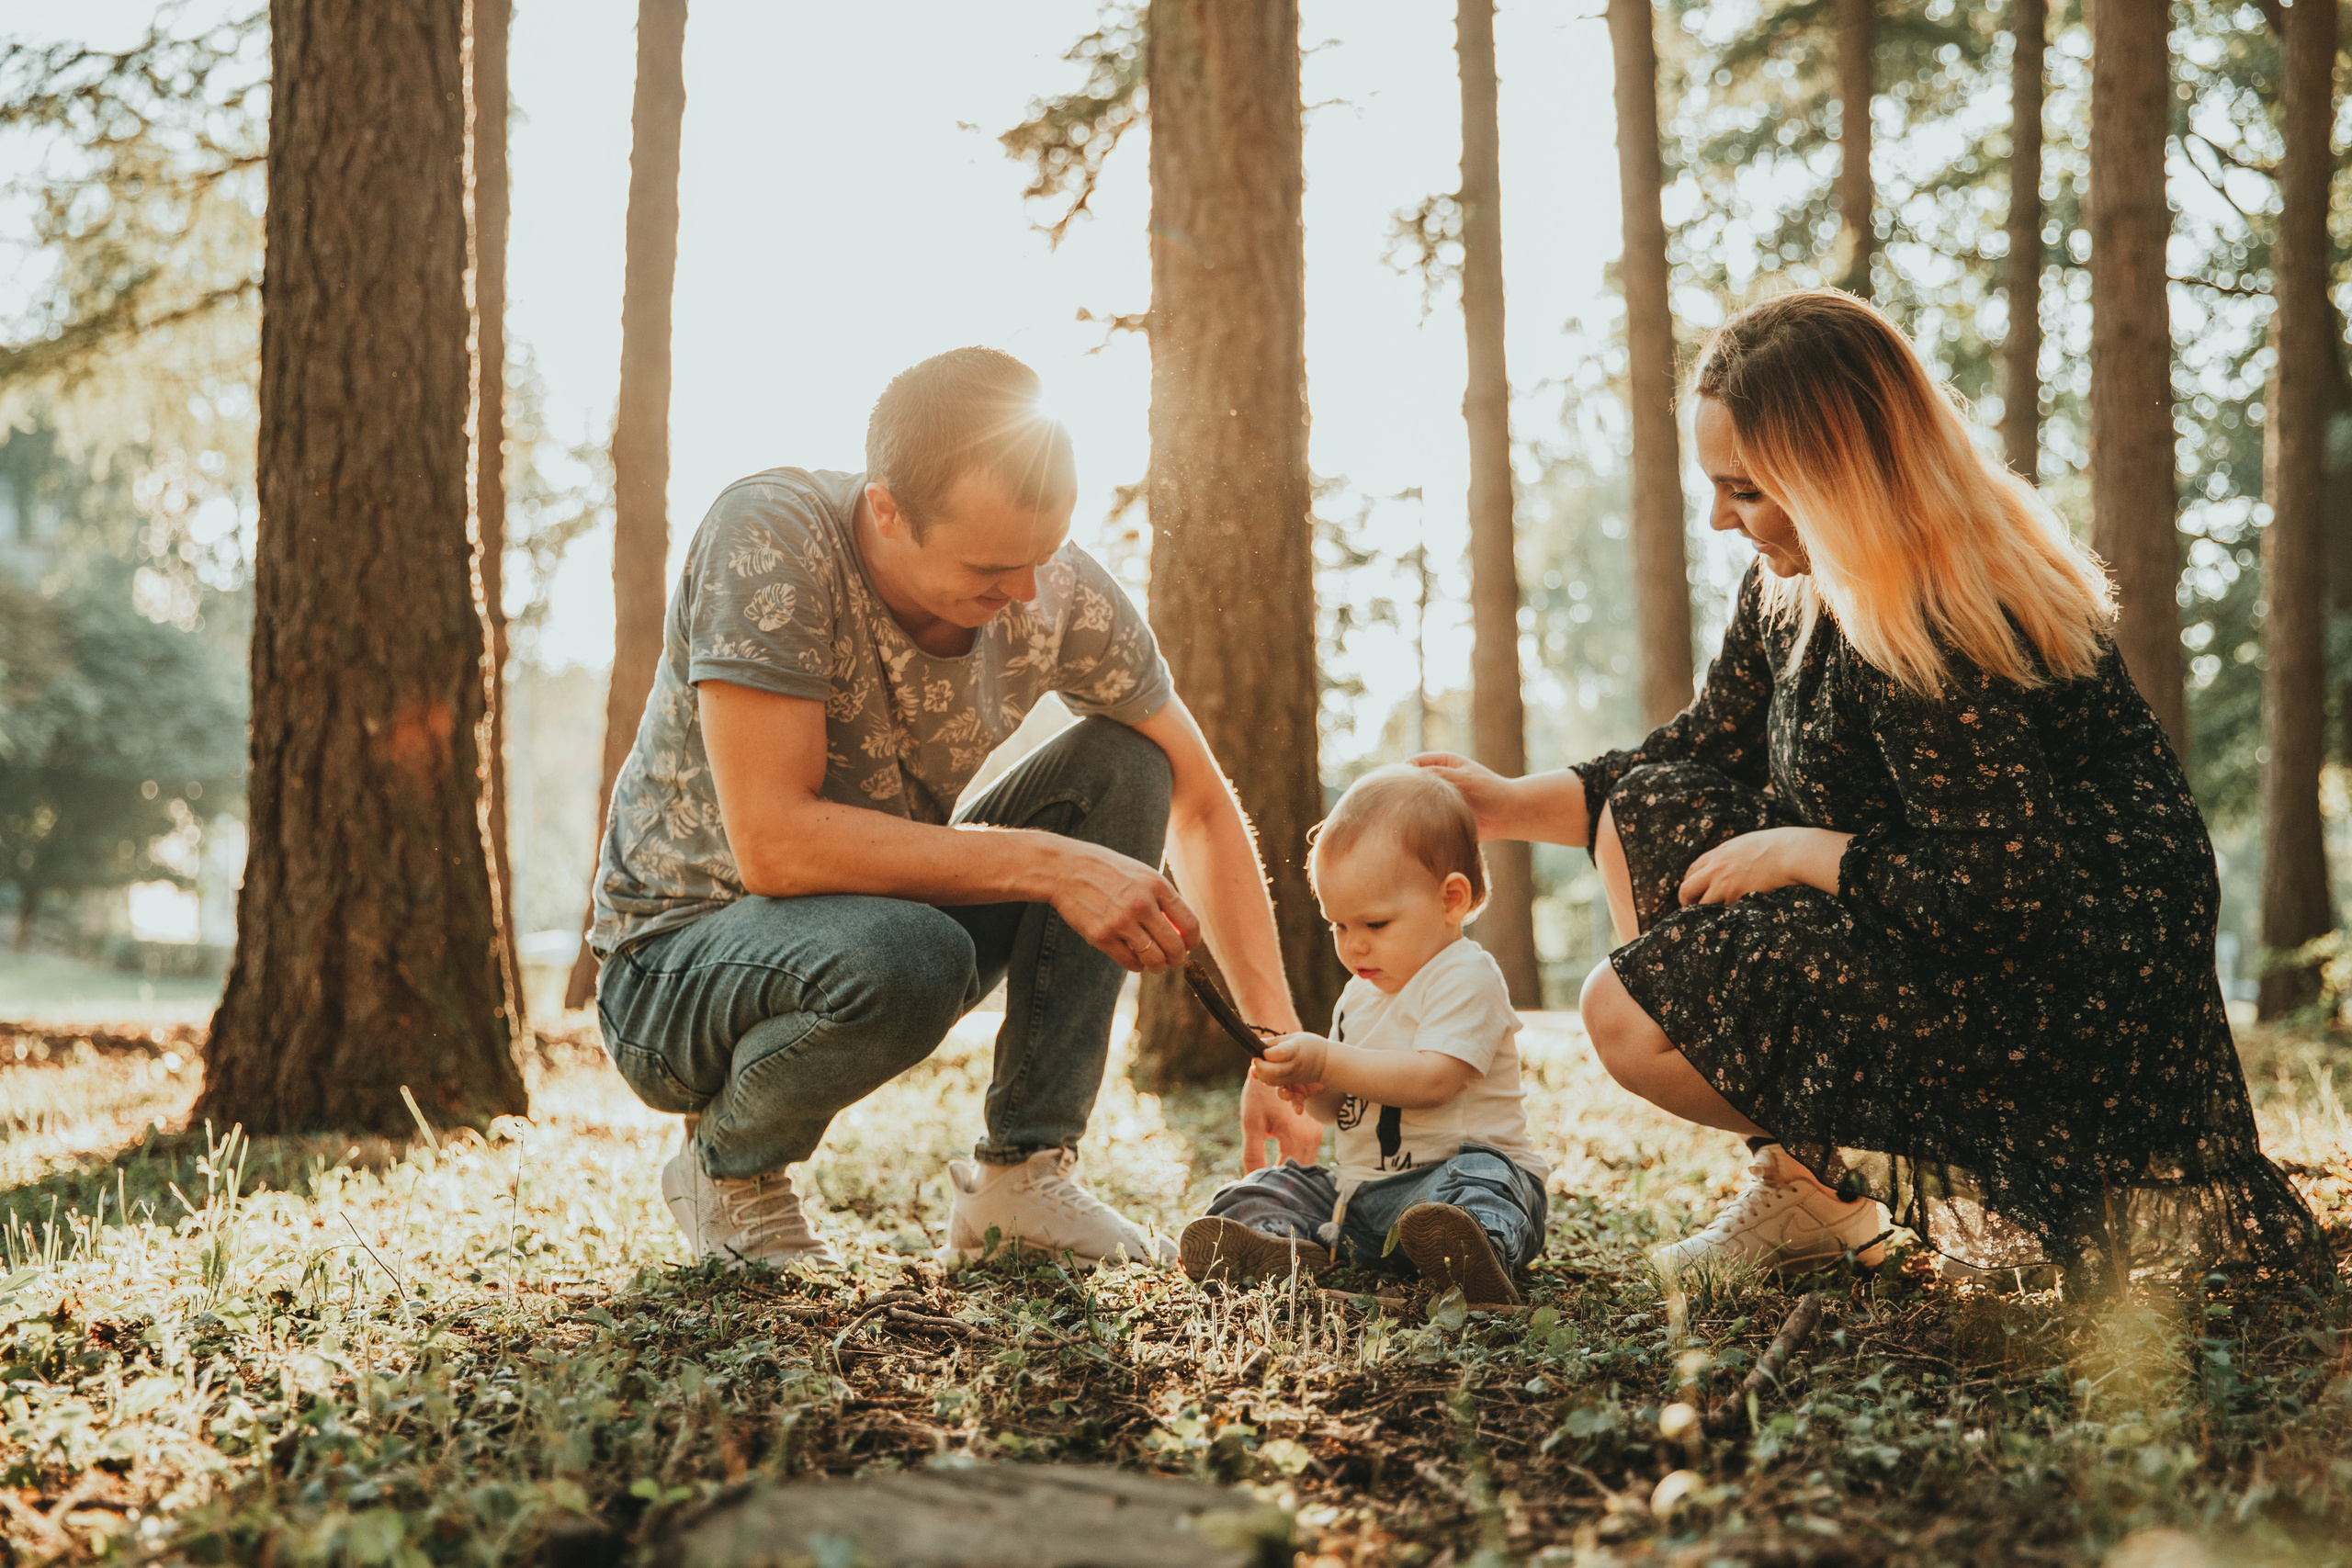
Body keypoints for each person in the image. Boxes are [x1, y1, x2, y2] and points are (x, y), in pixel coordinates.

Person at [1419, 290, 2324, 1291]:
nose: (1720, 518)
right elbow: (1697, 754)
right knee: (1655, 804)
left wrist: (1803, 852)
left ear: (1836, 477)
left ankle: (1967, 1165)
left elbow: (2008, 889)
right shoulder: (1794, 582)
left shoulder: (1941, 614)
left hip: (2074, 988)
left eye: (1747, 490)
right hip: (1938, 912)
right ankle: (1800, 1187)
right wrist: (1497, 805)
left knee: (1624, 1012)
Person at [588, 346, 1321, 1271]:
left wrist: (1276, 1042)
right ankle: (728, 1170)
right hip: (676, 968)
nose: (1022, 595)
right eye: (988, 566)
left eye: (1040, 558)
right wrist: (1056, 866)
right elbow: (775, 845)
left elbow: (1202, 805)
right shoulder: (768, 535)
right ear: (886, 509)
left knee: (1127, 764)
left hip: (873, 928)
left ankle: (1024, 1175)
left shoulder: (1051, 588)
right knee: (917, 952)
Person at [1178, 766, 1549, 1305]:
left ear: (1450, 900)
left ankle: (1473, 1255)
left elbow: (1434, 1080)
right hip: (1360, 1200)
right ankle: (1279, 1244)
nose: (1353, 948)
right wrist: (1311, 1086)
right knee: (1270, 1188)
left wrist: (1327, 1061)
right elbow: (1344, 1110)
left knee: (1483, 1182)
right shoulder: (1358, 994)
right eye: (1338, 926)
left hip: (1447, 1178)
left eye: (1374, 925)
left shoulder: (1465, 973)